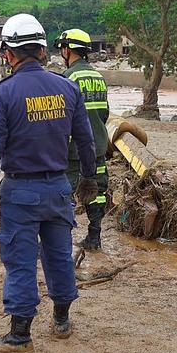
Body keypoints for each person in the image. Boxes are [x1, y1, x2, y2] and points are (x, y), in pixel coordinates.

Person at [0, 13, 97, 353]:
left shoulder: (4, 93)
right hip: (58, 189)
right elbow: (86, 143)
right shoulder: (68, 88)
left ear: (8, 54)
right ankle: (61, 320)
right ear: (42, 50)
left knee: (20, 261)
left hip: (20, 192)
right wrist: (88, 179)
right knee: (59, 255)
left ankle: (20, 337)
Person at [55, 28, 110, 251]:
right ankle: (94, 237)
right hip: (98, 146)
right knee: (97, 191)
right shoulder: (99, 77)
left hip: (74, 149)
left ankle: (61, 241)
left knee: (65, 192)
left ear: (67, 50)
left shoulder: (68, 78)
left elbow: (61, 117)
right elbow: (105, 113)